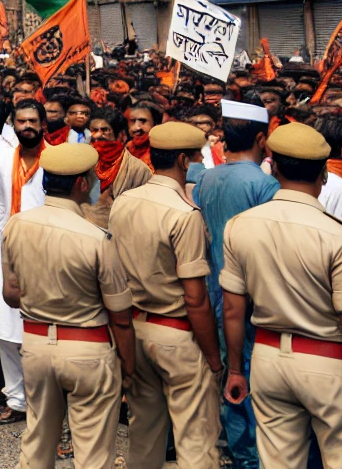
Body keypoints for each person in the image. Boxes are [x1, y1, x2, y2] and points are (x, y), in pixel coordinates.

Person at [221, 122, 342, 468]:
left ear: (273, 168)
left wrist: (235, 369)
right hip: (330, 364)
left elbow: (232, 309)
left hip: (267, 359)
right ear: (324, 174)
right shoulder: (340, 237)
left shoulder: (240, 225)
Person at [2, 142, 134, 469]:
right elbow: (120, 316)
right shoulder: (95, 238)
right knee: (93, 452)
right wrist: (130, 368)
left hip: (35, 344)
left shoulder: (16, 225)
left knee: (36, 442)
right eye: (91, 177)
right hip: (87, 348)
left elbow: (10, 294)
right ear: (81, 184)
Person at [111, 120, 222, 469]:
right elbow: (195, 299)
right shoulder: (184, 213)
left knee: (144, 432)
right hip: (176, 334)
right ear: (184, 162)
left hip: (135, 327)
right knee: (196, 439)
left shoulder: (124, 200)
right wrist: (214, 359)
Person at [193, 100, 278, 469]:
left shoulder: (207, 179)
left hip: (215, 292)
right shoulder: (265, 184)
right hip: (254, 297)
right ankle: (259, 456)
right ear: (261, 138)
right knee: (254, 375)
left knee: (232, 372)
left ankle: (242, 451)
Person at [0, 98, 49, 424]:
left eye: (33, 120)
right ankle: (17, 400)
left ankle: (46, 406)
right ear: (13, 125)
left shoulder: (55, 159)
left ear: (42, 124)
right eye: (22, 121)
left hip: (47, 253)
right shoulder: (1, 160)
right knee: (5, 329)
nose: (27, 126)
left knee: (43, 332)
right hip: (7, 251)